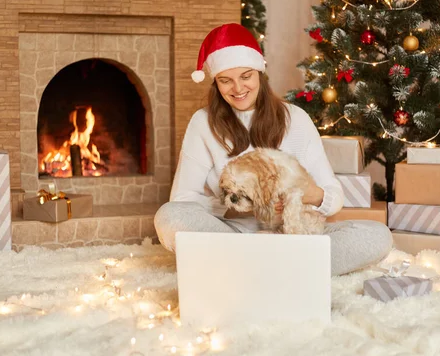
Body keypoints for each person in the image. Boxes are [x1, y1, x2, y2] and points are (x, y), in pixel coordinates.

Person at [154, 23, 392, 276]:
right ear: (216, 84)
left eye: (246, 76)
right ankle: (286, 268)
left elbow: (333, 199)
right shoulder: (203, 123)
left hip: (292, 234)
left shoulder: (296, 118)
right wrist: (236, 204)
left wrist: (308, 193)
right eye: (226, 80)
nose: (238, 88)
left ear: (260, 74)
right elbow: (183, 200)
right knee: (169, 217)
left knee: (378, 235)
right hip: (233, 234)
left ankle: (244, 267)